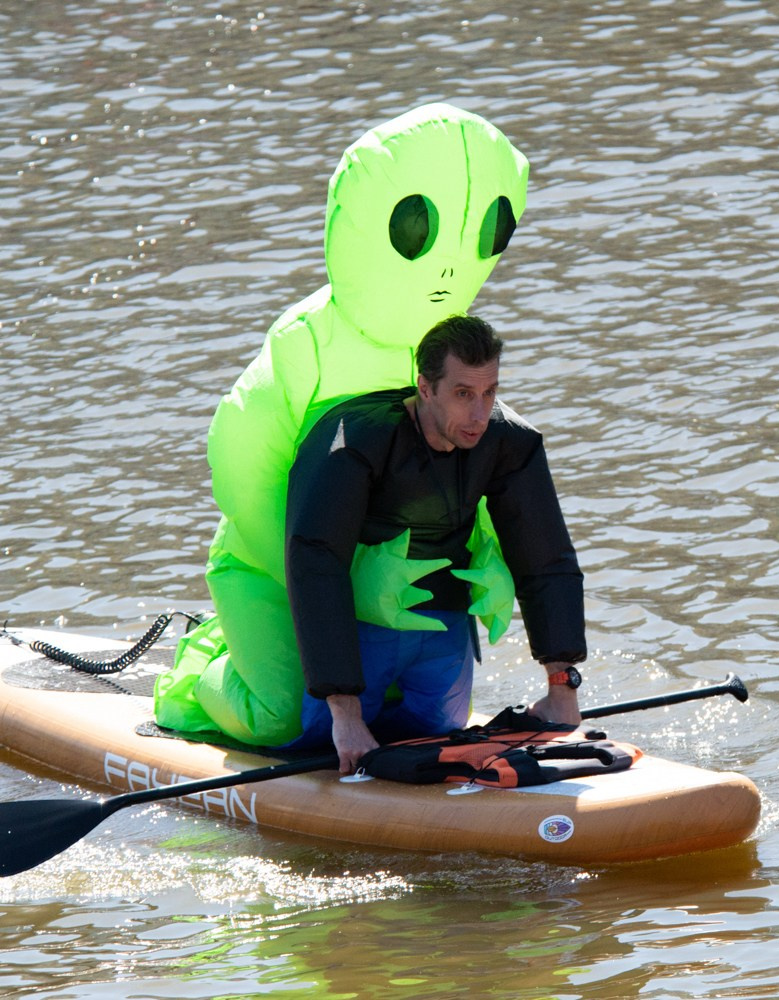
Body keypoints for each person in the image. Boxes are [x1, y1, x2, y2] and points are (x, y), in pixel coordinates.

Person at [153, 104, 529, 745]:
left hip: (403, 583)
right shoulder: (306, 345)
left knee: (430, 718)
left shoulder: (455, 347)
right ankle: (198, 667)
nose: (448, 268)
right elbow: (242, 468)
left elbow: (480, 457)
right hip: (272, 567)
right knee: (282, 718)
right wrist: (347, 580)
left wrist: (496, 559)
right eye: (416, 228)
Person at [284, 314, 587, 773]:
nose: (480, 414)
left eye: (490, 392)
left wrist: (561, 687)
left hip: (442, 621)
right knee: (317, 740)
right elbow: (315, 560)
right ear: (425, 388)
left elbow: (545, 557)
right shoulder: (358, 437)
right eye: (463, 394)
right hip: (359, 623)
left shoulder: (509, 440)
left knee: (439, 727)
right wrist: (344, 712)